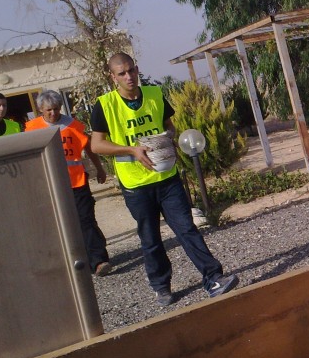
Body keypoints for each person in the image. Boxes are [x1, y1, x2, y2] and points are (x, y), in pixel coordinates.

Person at [90, 52, 237, 306]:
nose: (128, 77)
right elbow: (97, 145)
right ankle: (161, 286)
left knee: (187, 228)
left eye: (131, 71)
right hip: (136, 184)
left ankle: (213, 278)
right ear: (113, 77)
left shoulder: (155, 95)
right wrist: (131, 150)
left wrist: (166, 137)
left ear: (137, 69)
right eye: (122, 73)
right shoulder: (104, 105)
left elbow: (169, 126)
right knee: (150, 238)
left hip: (167, 177)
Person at [25, 89, 112, 276]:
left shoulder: (74, 125)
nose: (53, 113)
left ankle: (98, 261)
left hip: (77, 182)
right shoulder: (31, 128)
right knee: (57, 224)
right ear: (41, 109)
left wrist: (100, 168)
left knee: (86, 220)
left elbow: (89, 147)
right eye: (48, 110)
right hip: (48, 185)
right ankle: (67, 264)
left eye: (56, 109)